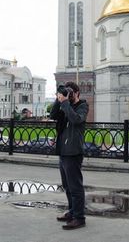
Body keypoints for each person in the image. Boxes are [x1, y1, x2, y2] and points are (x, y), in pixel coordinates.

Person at [50, 81, 89, 230]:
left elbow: (75, 120)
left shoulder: (82, 106)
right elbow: (53, 115)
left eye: (71, 92)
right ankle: (72, 212)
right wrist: (59, 98)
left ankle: (79, 218)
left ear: (78, 93)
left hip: (73, 152)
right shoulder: (65, 106)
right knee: (67, 186)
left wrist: (65, 103)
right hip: (63, 150)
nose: (69, 95)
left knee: (75, 187)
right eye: (68, 93)